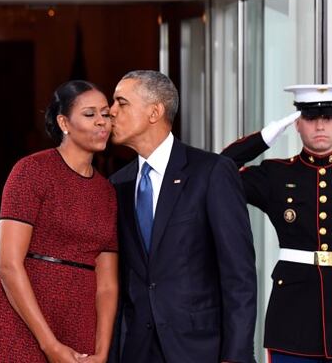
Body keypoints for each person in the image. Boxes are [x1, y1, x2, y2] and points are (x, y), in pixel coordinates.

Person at [221, 84, 332, 363]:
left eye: (328, 117)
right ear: (298, 124)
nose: (320, 126)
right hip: (291, 323)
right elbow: (219, 172)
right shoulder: (275, 175)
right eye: (311, 118)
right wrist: (265, 137)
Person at [0, 80, 119, 363]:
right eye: (89, 114)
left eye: (106, 114)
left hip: (79, 323)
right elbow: (7, 264)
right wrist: (50, 345)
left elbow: (107, 284)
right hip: (19, 318)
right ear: (64, 122)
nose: (101, 122)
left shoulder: (107, 192)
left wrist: (102, 350)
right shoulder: (31, 171)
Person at [107, 70, 256, 363]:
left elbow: (239, 276)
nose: (111, 112)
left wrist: (236, 356)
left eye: (121, 103)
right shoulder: (117, 184)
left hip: (199, 349)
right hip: (136, 350)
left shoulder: (211, 172)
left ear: (155, 111)